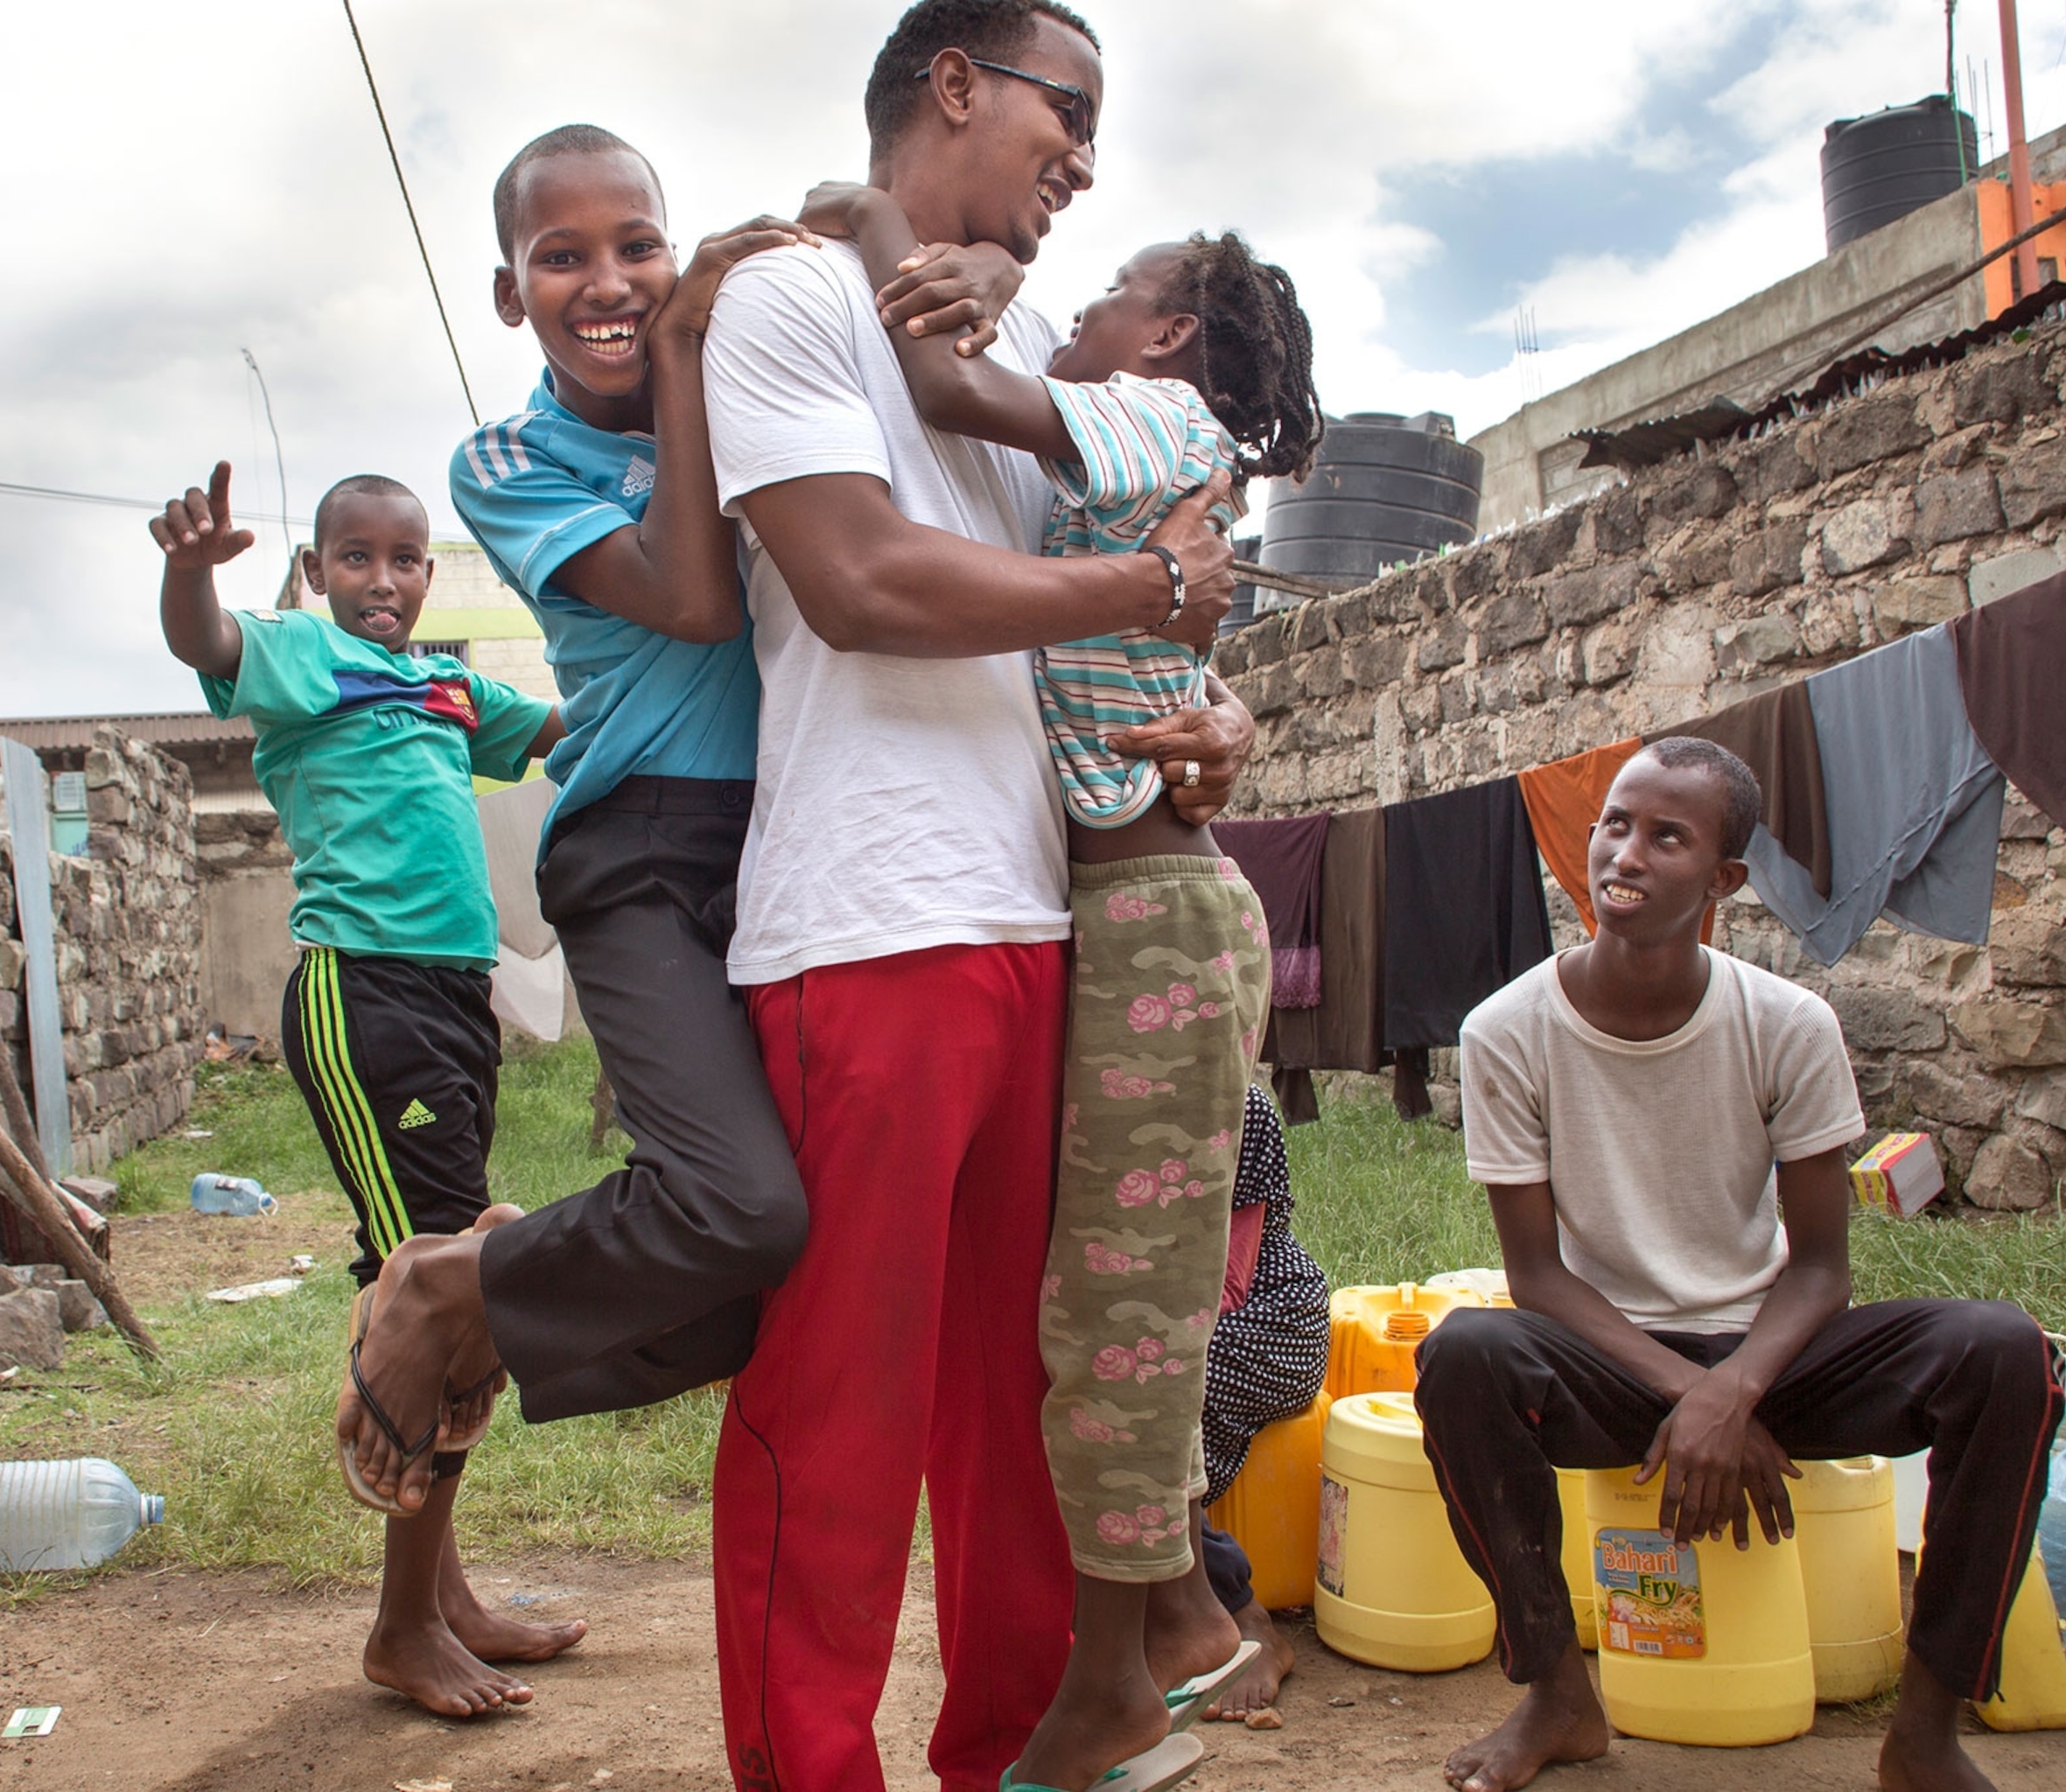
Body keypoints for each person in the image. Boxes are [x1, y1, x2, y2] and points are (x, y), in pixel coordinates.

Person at [695, 4, 1262, 1786]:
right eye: (1064, 109)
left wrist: (1211, 708)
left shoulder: (1025, 352)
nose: (1083, 157)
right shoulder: (789, 297)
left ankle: (1024, 1742)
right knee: (837, 1417)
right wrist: (1147, 593)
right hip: (868, 918)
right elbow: (860, 580)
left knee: (1022, 1404)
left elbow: (1143, 610)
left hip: (1049, 923)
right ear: (953, 84)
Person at [799, 178, 1325, 1788]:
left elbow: (949, 387)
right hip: (1125, 908)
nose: (1079, 312)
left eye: (1108, 295)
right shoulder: (1142, 449)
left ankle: (1114, 1680)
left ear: (1166, 334)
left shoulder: (1154, 416)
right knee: (1091, 1301)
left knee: (1124, 1314)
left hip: (1157, 915)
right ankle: (1174, 1617)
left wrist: (869, 224)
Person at [1416, 737, 2063, 1792]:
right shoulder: (1506, 1029)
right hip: (1613, 1361)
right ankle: (1559, 1695)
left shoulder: (1787, 1022)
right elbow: (1537, 1275)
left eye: (1667, 836)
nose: (1626, 852)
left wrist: (1738, 1385)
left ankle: (1926, 1731)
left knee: (2006, 1350)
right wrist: (1695, 1392)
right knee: (1465, 1354)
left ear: (1722, 879)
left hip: (1776, 1351)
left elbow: (1820, 1269)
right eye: (1615, 824)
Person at [343, 127, 834, 1512]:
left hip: (792, 842)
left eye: (639, 246)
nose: (607, 281)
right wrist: (679, 347)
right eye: (561, 256)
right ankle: (446, 1285)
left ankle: (487, 1291)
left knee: (757, 1285)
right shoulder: (507, 458)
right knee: (748, 1210)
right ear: (512, 293)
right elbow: (695, 599)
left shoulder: (745, 391)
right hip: (640, 855)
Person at [149, 465, 574, 1719]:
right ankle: (403, 1626)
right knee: (441, 1292)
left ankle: (445, 1600)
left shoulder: (450, 688)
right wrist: (189, 571)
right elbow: (205, 641)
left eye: (403, 559)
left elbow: (566, 727)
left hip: (452, 994)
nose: (381, 581)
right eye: (355, 558)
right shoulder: (298, 654)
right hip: (363, 992)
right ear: (315, 570)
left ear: (429, 574)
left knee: (438, 1277)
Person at [1194, 1080, 1327, 1723]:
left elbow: (1229, 1283)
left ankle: (1246, 1618)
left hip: (1265, 1320)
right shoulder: (1095, 1089)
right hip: (1172, 1319)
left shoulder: (1239, 1103)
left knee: (1147, 1408)